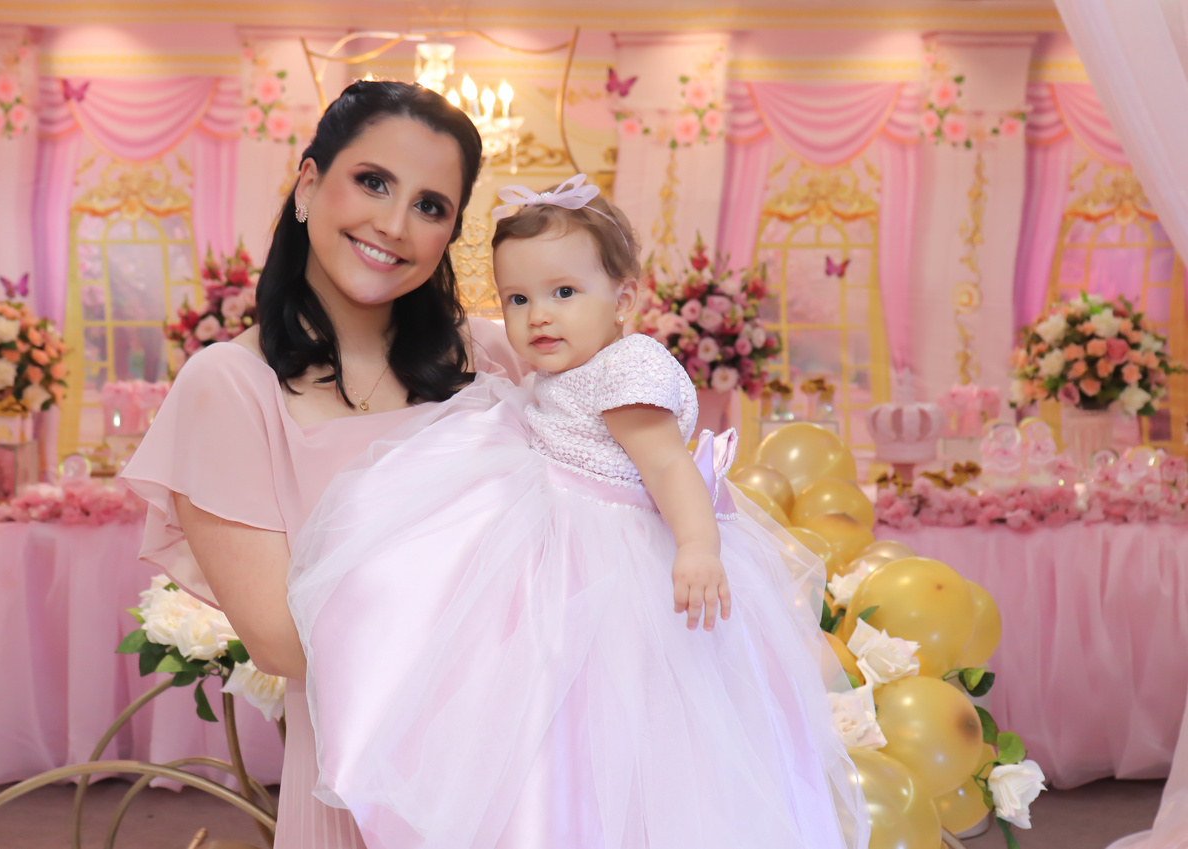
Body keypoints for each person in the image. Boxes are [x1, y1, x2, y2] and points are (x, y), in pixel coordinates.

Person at [286, 176, 869, 849]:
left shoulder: (627, 370)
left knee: (624, 725)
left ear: (623, 300)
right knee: (544, 719)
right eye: (518, 298)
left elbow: (668, 466)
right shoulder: (562, 373)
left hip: (616, 568)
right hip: (556, 550)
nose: (539, 315)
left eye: (564, 293)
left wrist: (697, 547)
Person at [121, 80, 524, 848]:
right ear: (308, 185)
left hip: (524, 761)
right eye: (372, 182)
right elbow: (280, 638)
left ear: (450, 233)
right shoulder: (230, 387)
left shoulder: (500, 356)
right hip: (363, 780)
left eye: (430, 205)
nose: (394, 224)